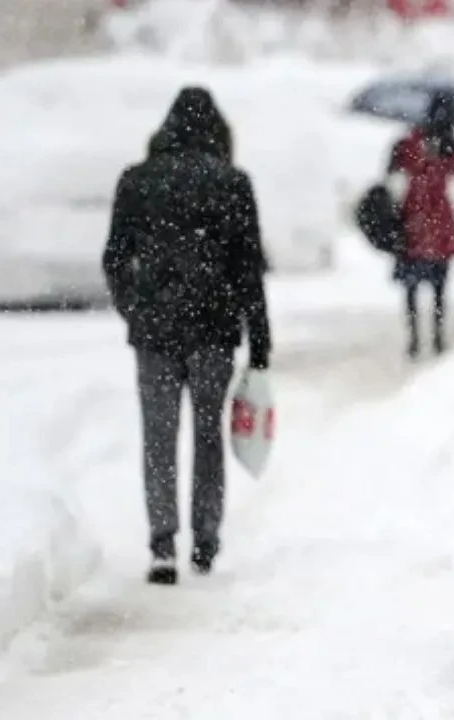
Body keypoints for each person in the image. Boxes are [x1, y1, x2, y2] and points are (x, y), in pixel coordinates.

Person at [103, 86, 271, 586]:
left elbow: (114, 257)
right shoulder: (232, 183)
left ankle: (161, 543)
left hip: (154, 330)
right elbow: (249, 270)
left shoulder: (137, 181)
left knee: (158, 435)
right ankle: (204, 539)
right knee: (207, 433)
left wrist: (133, 307)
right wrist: (259, 337)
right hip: (213, 329)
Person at [389, 90, 454, 360]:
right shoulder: (427, 141)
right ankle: (430, 336)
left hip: (419, 220)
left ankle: (421, 337)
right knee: (434, 285)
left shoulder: (421, 141)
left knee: (421, 286)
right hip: (429, 219)